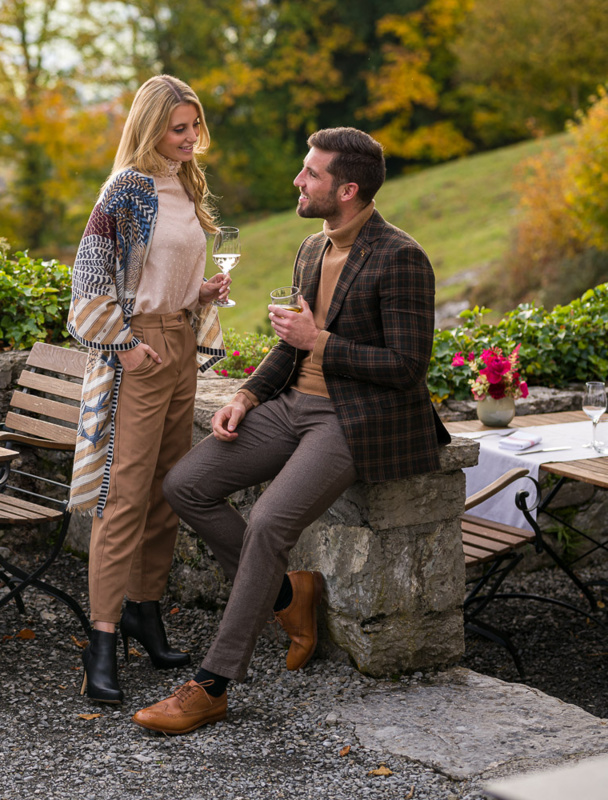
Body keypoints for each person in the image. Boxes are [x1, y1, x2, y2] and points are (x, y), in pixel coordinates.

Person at [132, 126, 450, 733]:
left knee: (270, 523)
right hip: (288, 408)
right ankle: (286, 596)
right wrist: (248, 395)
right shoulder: (312, 248)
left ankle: (212, 684)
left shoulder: (400, 256)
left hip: (352, 420)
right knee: (185, 485)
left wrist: (321, 343)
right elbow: (291, 346)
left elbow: (409, 367)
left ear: (348, 188)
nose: (298, 181)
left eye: (311, 173)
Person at [68, 74, 231, 704]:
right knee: (125, 497)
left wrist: (202, 292)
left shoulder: (186, 185)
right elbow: (88, 286)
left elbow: (168, 275)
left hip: (180, 342)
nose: (191, 138)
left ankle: (146, 612)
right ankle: (101, 642)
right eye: (178, 128)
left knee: (168, 491)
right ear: (150, 128)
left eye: (194, 126)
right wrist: (126, 346)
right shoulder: (126, 190)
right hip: (139, 351)